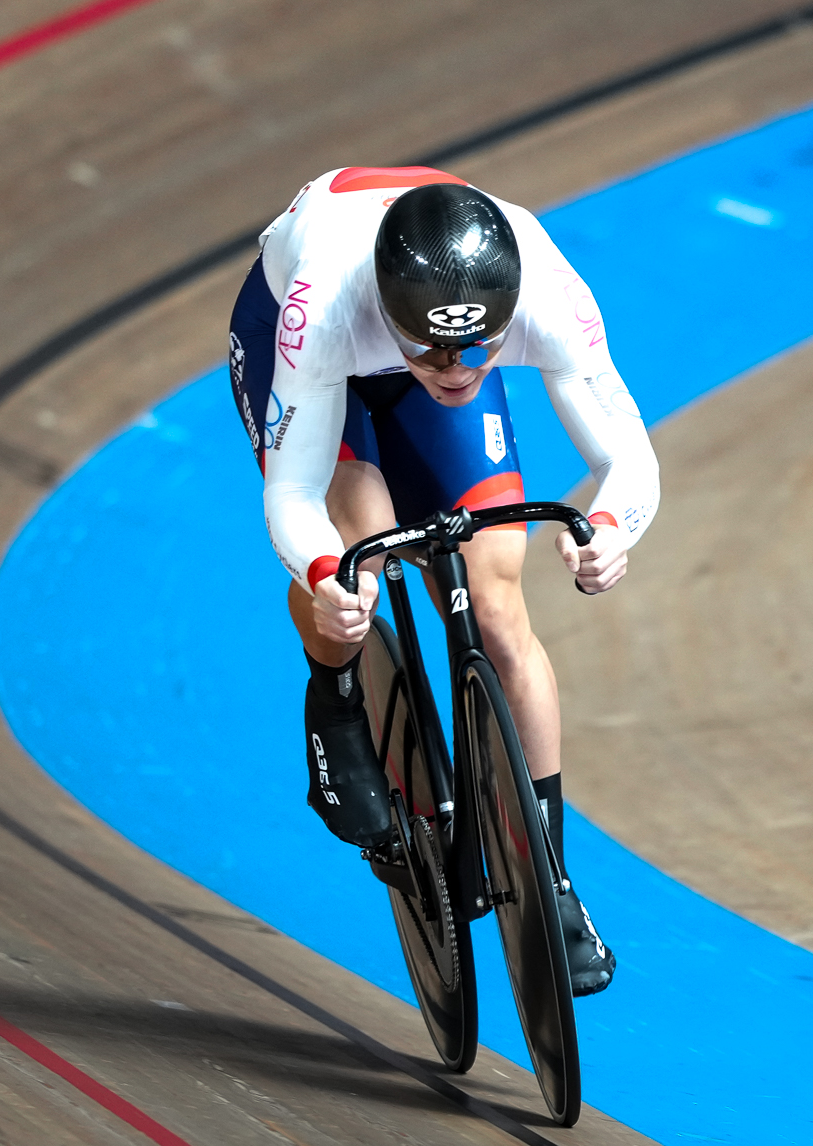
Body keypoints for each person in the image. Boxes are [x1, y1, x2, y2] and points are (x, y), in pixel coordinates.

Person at [227, 166, 660, 996]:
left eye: (479, 348)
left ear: (506, 314)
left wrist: (609, 531)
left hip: (405, 316)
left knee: (497, 602)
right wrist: (327, 574)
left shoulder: (542, 291)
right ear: (394, 319)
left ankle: (553, 881)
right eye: (431, 349)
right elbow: (289, 490)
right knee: (361, 544)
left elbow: (628, 458)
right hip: (314, 351)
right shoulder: (324, 309)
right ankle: (336, 696)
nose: (456, 369)